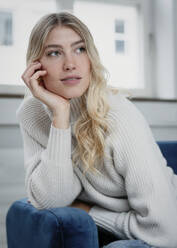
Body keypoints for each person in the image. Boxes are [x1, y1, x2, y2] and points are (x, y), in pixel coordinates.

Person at [17, 12, 177, 248]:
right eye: (55, 52)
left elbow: (166, 230)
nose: (70, 63)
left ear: (91, 57)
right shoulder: (33, 113)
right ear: (36, 66)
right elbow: (50, 199)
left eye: (79, 49)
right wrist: (60, 116)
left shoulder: (119, 117)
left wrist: (90, 212)